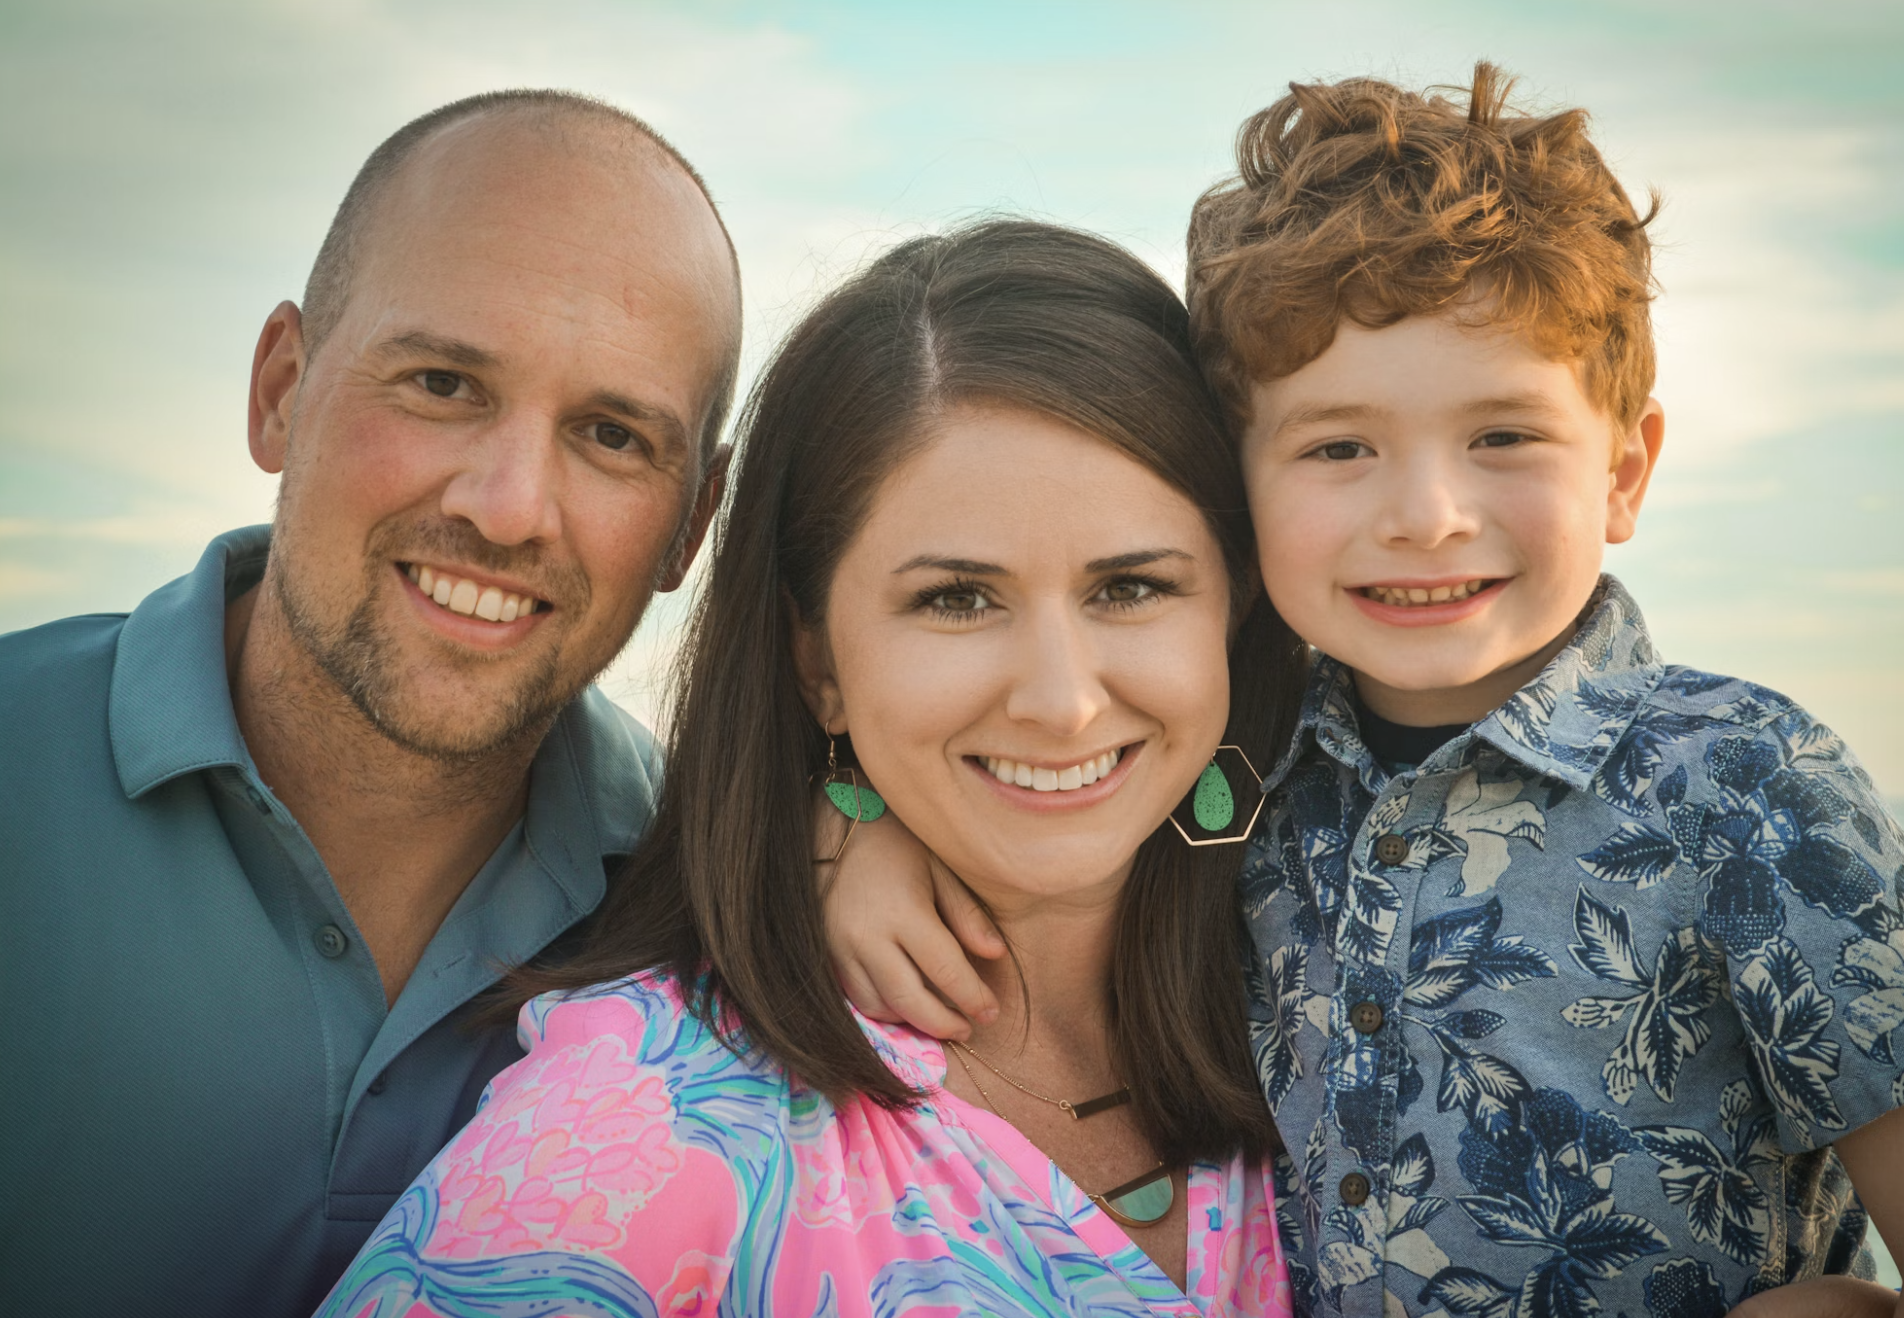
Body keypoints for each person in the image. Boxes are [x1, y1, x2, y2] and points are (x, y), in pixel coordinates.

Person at [823, 66, 1904, 1318]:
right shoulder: (1232, 764)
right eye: (1338, 447)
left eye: (1501, 436)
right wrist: (857, 826)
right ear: (1238, 492)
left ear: (1623, 466)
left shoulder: (1744, 787)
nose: (1423, 517)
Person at [317, 220, 1303, 1317]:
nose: (1062, 698)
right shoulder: (643, 1119)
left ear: (1237, 601)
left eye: (1130, 587)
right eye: (956, 599)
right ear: (817, 660)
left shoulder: (1333, 988)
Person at [0, 90, 739, 1314]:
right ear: (281, 390)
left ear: (690, 528)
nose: (507, 507)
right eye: (443, 382)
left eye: (611, 435)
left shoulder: (716, 907)